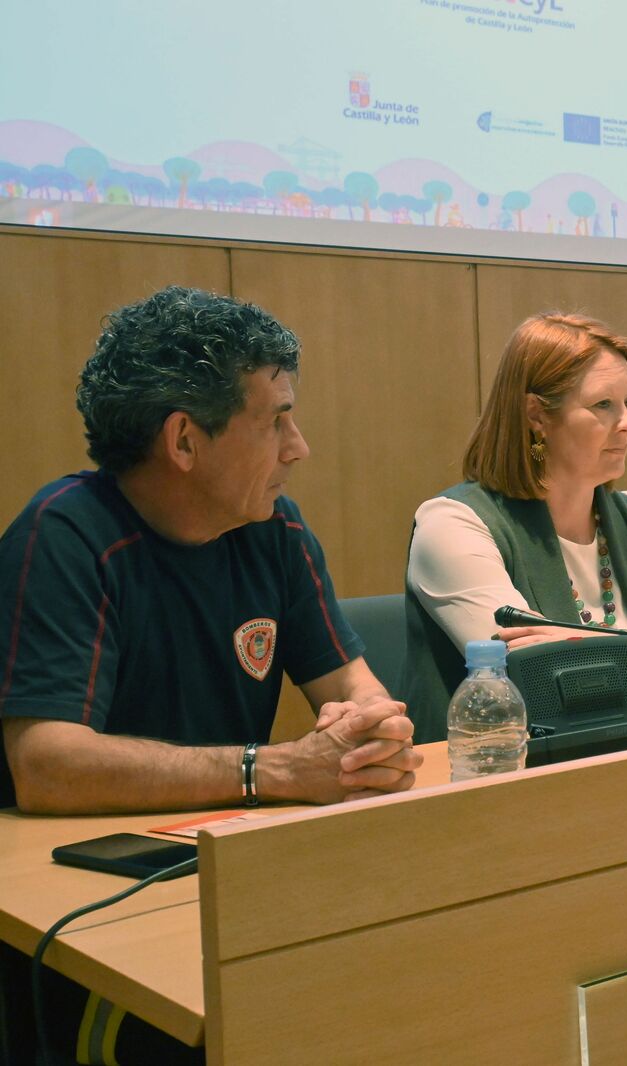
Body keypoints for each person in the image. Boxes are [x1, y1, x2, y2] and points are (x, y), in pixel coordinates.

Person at [0, 286, 419, 1065]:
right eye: (277, 420)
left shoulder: (275, 530)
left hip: (224, 873)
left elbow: (358, 693)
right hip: (89, 918)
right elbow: (45, 766)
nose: (299, 447)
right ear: (185, 441)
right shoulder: (64, 537)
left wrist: (376, 733)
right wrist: (275, 770)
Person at [405, 313, 627, 738]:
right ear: (536, 415)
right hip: (495, 783)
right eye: (603, 405)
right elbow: (539, 689)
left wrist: (625, 662)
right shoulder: (453, 525)